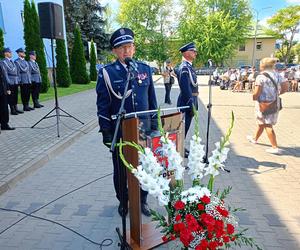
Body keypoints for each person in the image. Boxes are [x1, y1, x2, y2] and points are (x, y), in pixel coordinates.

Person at [96, 28, 157, 217]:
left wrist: (155, 125)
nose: (126, 51)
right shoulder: (107, 73)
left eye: (129, 46)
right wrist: (106, 131)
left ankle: (142, 199)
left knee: (145, 166)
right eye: (121, 48)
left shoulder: (145, 69)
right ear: (114, 51)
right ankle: (123, 200)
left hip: (143, 131)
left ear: (134, 48)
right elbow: (103, 104)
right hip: (120, 131)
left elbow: (152, 99)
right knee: (121, 169)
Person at [247, 58, 288, 154]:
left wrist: (254, 96)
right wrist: (277, 94)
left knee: (267, 125)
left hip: (263, 104)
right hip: (275, 102)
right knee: (262, 122)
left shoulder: (261, 77)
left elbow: (257, 92)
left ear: (262, 66)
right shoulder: (278, 75)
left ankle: (274, 147)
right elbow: (286, 86)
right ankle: (255, 139)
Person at [1, 48, 23, 115]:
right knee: (11, 96)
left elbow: (16, 72)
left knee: (15, 95)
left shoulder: (12, 61)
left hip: (15, 81)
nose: (11, 53)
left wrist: (18, 80)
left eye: (10, 52)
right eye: (9, 52)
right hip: (10, 80)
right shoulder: (3, 62)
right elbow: (5, 73)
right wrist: (7, 82)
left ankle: (16, 108)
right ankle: (12, 109)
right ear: (5, 53)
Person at [0, 63, 15, 131]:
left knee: (5, 109)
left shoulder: (1, 63)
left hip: (3, 90)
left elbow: (4, 76)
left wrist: (8, 88)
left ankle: (4, 124)